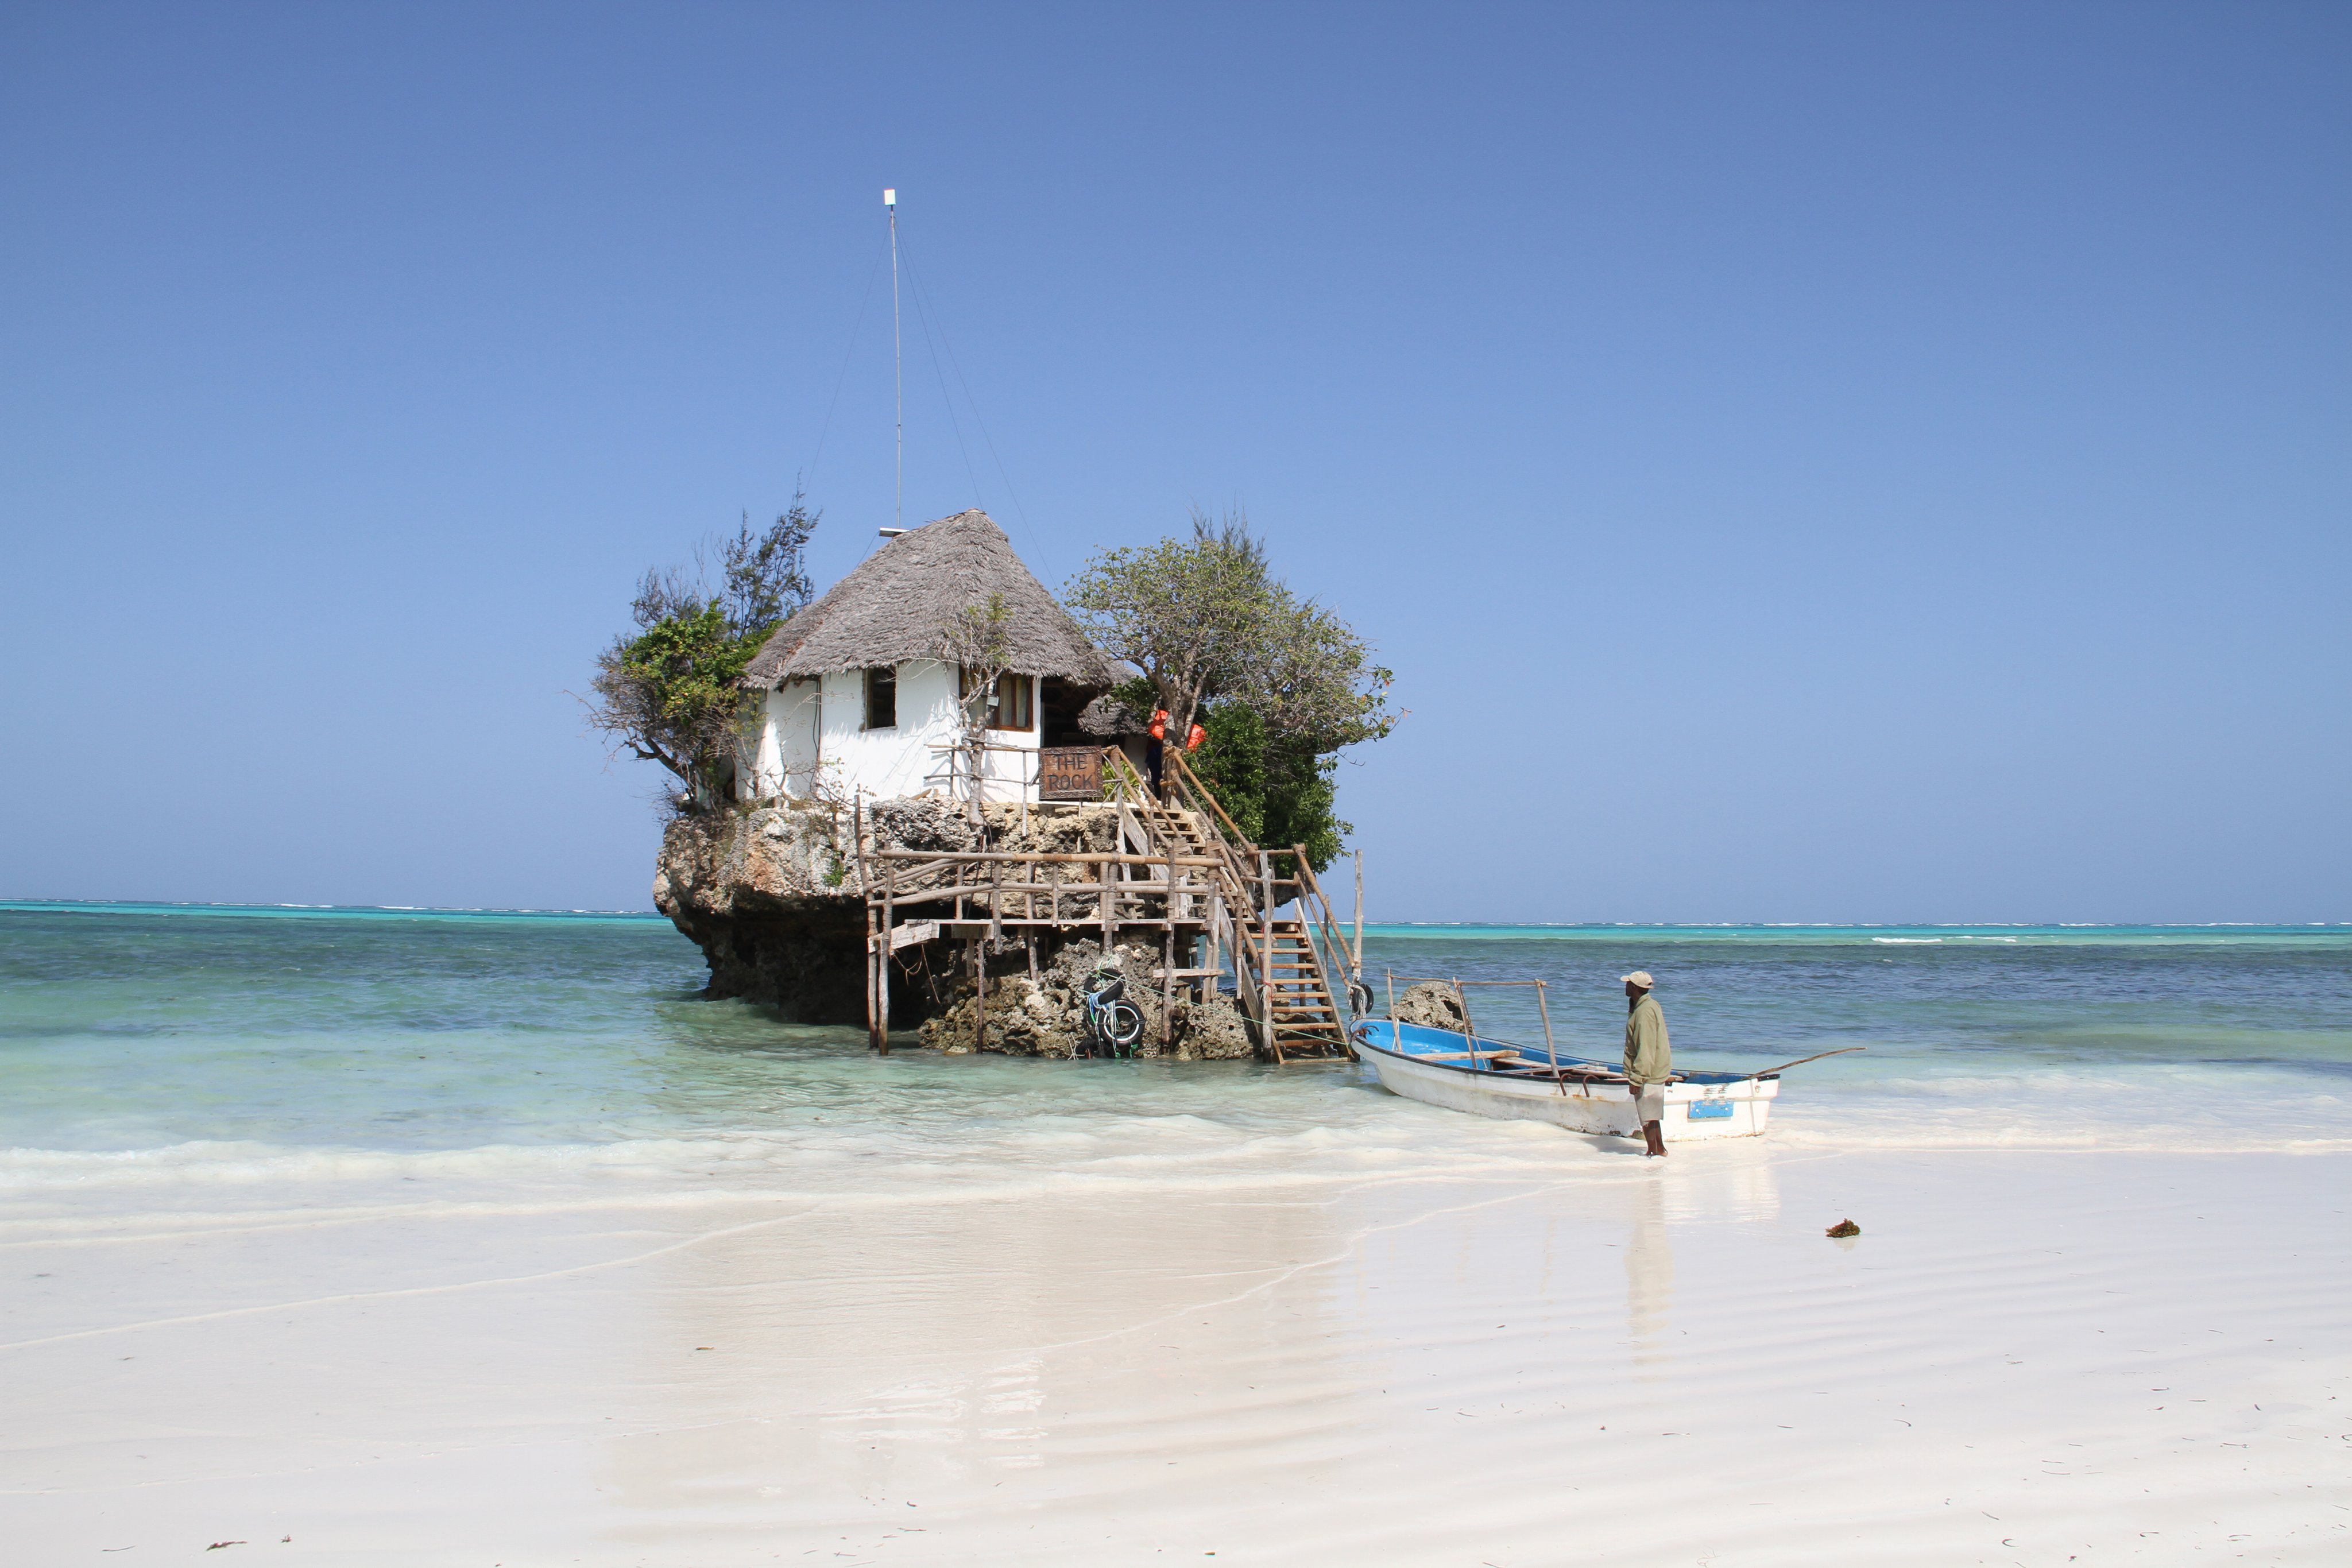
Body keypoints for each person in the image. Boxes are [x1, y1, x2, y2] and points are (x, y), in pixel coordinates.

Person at [1621, 970, 1671, 1157]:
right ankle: (1659, 1150)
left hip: (1649, 1072)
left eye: (1628, 984)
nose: (1625, 986)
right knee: (1652, 1115)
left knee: (1647, 1116)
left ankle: (1652, 1152)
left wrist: (1636, 1078)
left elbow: (1646, 1047)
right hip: (1655, 1069)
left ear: (1634, 987)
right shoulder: (1648, 1005)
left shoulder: (1644, 1012)